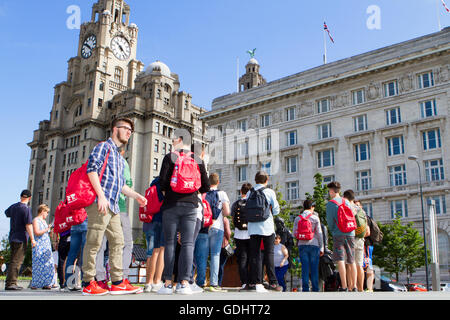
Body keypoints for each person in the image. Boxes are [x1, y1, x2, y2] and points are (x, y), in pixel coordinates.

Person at [81, 117, 147, 296]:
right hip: (100, 203)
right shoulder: (103, 147)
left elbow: (120, 185)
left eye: (131, 131)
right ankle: (88, 282)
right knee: (94, 242)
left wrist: (136, 195)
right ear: (114, 129)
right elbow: (91, 170)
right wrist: (101, 196)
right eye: (126, 128)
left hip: (114, 206)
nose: (129, 132)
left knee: (119, 242)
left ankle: (117, 282)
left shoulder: (118, 155)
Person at [157, 129, 210, 295]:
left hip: (171, 205)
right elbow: (206, 186)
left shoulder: (169, 157)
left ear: (180, 139)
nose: (172, 141)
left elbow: (162, 183)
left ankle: (167, 284)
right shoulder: (197, 158)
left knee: (170, 244)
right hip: (191, 205)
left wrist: (169, 194)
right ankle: (184, 283)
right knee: (188, 244)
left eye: (174, 139)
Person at [95, 147, 135, 291]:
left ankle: (99, 279)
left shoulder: (100, 161)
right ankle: (121, 279)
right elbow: (127, 183)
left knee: (101, 245)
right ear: (123, 152)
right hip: (119, 207)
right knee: (126, 244)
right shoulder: (122, 163)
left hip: (101, 206)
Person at [246, 171, 281, 293]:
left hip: (252, 227)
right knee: (269, 254)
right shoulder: (269, 192)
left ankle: (256, 282)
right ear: (266, 180)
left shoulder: (249, 192)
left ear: (255, 180)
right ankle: (273, 282)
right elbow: (276, 211)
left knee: (255, 255)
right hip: (267, 227)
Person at [201, 173, 230, 292]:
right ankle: (214, 283)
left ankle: (201, 281)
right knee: (215, 255)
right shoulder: (222, 194)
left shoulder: (203, 194)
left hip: (204, 227)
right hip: (217, 227)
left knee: (202, 255)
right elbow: (227, 212)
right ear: (218, 182)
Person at [326, 181, 356, 292]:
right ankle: (354, 286)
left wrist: (333, 230)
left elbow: (330, 221)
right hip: (351, 232)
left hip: (338, 233)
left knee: (341, 259)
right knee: (351, 260)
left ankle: (344, 286)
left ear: (333, 191)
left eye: (329, 191)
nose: (329, 193)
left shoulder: (331, 203)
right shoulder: (347, 202)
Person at [4, 189, 36, 290]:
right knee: (17, 261)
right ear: (29, 198)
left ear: (21, 196)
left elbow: (6, 213)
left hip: (12, 236)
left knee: (13, 259)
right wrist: (32, 239)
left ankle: (10, 282)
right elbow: (28, 225)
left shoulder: (14, 206)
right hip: (21, 238)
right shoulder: (26, 209)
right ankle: (11, 283)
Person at [293, 199, 324, 292]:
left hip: (302, 245)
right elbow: (319, 233)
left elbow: (294, 233)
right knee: (314, 268)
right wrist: (321, 247)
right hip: (314, 245)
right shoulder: (315, 218)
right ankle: (315, 288)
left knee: (305, 267)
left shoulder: (297, 218)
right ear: (312, 207)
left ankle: (305, 289)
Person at [143, 177, 165, 293]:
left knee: (149, 253)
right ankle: (156, 281)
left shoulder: (152, 186)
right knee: (160, 250)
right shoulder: (164, 185)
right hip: (160, 220)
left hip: (149, 222)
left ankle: (148, 283)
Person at [30, 204, 58, 289]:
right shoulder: (36, 220)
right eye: (46, 212)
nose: (47, 214)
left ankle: (47, 282)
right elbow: (37, 232)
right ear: (42, 211)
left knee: (48, 263)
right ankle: (36, 283)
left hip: (46, 244)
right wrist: (47, 229)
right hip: (39, 245)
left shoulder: (44, 221)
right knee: (38, 264)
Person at [231, 183, 252, 291]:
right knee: (253, 258)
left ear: (241, 192)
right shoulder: (252, 203)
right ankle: (253, 282)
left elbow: (232, 217)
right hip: (251, 234)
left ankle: (244, 283)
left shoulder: (235, 204)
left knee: (242, 260)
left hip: (239, 235)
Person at [355, 200, 374, 292]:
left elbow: (367, 232)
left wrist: (356, 235)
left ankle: (369, 288)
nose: (356, 207)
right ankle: (360, 287)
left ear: (361, 206)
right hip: (362, 244)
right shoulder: (357, 216)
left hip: (366, 244)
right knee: (360, 266)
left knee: (367, 265)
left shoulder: (364, 217)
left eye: (358, 205)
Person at [64, 218, 87, 291]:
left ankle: (68, 283)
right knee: (85, 254)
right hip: (86, 225)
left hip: (74, 226)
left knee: (72, 255)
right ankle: (85, 283)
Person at [217, 216, 232, 287]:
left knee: (215, 263)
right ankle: (218, 283)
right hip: (223, 244)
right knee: (221, 265)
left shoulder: (214, 217)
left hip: (214, 243)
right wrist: (228, 239)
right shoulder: (225, 219)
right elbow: (228, 233)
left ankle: (214, 282)